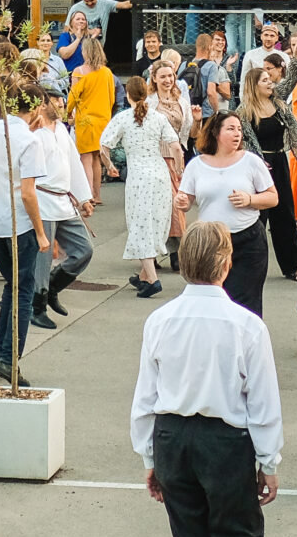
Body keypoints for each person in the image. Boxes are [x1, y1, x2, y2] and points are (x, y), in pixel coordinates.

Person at [132, 220, 283, 537]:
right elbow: (263, 402)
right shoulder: (246, 325)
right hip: (225, 441)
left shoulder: (159, 320)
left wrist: (149, 457)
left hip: (172, 436)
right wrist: (268, 461)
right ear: (226, 263)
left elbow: (146, 396)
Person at [0, 82, 55, 379]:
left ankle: (0, 350)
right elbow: (28, 193)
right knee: (23, 291)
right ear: (35, 107)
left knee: (12, 286)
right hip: (17, 223)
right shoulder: (30, 141)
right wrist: (40, 231)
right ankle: (9, 358)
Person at [181, 113, 280, 318]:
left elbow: (273, 198)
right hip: (210, 243)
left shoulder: (251, 161)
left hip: (248, 241)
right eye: (231, 129)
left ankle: (246, 344)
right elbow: (186, 201)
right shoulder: (197, 165)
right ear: (216, 132)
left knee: (246, 303)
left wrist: (250, 199)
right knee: (212, 299)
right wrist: (181, 202)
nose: (237, 134)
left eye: (239, 129)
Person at [102, 78, 184, 298]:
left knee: (140, 224)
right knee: (155, 222)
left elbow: (104, 145)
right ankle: (143, 275)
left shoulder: (123, 119)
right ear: (146, 95)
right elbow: (176, 146)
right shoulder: (158, 118)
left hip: (139, 176)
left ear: (127, 95)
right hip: (159, 174)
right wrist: (178, 169)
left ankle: (153, 280)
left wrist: (109, 165)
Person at [240, 64, 297, 284]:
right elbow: (248, 142)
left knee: (285, 215)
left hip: (279, 161)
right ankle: (251, 265)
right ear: (254, 86)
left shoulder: (277, 102)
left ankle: (291, 266)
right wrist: (259, 162)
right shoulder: (245, 111)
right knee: (258, 218)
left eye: (270, 79)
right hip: (257, 164)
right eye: (264, 80)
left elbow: (290, 80)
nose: (270, 82)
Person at [32, 89, 94, 328]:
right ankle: (35, 306)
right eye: (57, 101)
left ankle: (52, 288)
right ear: (43, 103)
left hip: (64, 200)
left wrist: (84, 196)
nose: (61, 105)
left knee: (84, 249)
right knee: (43, 257)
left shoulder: (62, 129)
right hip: (43, 198)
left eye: (62, 101)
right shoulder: (35, 133)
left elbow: (74, 162)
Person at [68, 35, 117, 204]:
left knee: (85, 158)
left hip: (85, 119)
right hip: (103, 118)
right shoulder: (107, 72)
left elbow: (73, 97)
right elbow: (112, 98)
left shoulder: (79, 72)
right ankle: (97, 195)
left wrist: (67, 113)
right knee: (97, 158)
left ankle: (87, 195)